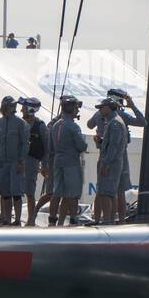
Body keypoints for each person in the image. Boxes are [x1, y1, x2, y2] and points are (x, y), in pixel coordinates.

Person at [88, 88, 146, 223]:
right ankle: (119, 220)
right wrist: (132, 106)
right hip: (119, 155)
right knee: (119, 191)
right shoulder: (121, 117)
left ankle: (98, 219)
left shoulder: (100, 114)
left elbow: (89, 125)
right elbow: (143, 122)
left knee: (101, 189)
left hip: (103, 153)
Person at [0, 95, 27, 225]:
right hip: (3, 162)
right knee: (4, 191)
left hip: (15, 163)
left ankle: (18, 219)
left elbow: (25, 144)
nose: (13, 107)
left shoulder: (20, 123)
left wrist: (21, 161)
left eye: (14, 105)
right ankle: (6, 219)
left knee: (16, 192)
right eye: (10, 105)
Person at [48, 95, 88, 225]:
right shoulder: (73, 126)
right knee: (73, 193)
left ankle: (53, 221)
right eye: (76, 107)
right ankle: (73, 220)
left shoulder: (55, 125)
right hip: (71, 163)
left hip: (58, 161)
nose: (77, 110)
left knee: (57, 192)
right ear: (71, 108)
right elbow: (81, 146)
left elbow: (51, 146)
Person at [91, 97, 128, 224]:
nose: (100, 110)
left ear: (108, 107)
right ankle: (109, 220)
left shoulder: (115, 123)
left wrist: (106, 164)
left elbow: (114, 146)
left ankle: (107, 221)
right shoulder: (113, 122)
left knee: (107, 193)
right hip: (112, 162)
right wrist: (100, 142)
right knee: (109, 193)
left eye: (101, 107)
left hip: (111, 163)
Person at [19, 98, 50, 227]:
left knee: (29, 191)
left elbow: (47, 147)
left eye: (24, 108)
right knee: (14, 190)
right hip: (18, 161)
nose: (21, 110)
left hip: (32, 161)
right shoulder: (19, 123)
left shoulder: (40, 126)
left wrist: (45, 165)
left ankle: (31, 219)